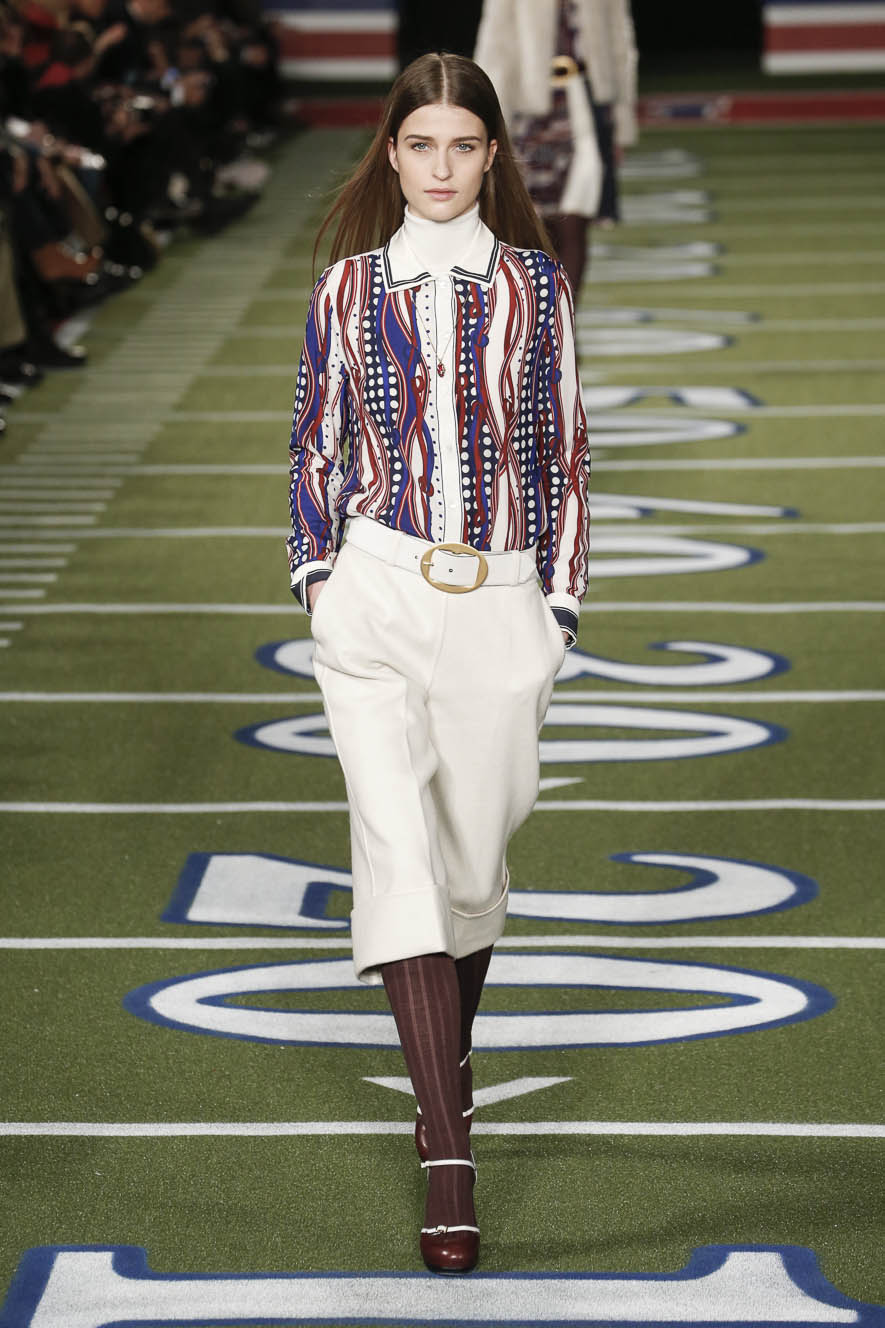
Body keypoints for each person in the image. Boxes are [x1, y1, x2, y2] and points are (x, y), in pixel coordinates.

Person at [285, 52, 590, 1275]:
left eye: (465, 145)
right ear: (393, 155)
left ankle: (441, 1075)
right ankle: (450, 1155)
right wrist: (320, 579)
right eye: (422, 145)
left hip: (503, 603)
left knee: (469, 864)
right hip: (376, 594)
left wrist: (557, 611)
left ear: (493, 155)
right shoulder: (346, 288)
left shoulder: (536, 286)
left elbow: (564, 449)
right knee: (398, 854)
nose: (443, 167)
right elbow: (314, 442)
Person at [474, 0, 638, 293]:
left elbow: (619, 38)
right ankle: (538, 312)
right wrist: (484, 119)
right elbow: (495, 43)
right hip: (529, 110)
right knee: (535, 223)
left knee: (576, 217)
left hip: (587, 104)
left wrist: (620, 119)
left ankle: (566, 318)